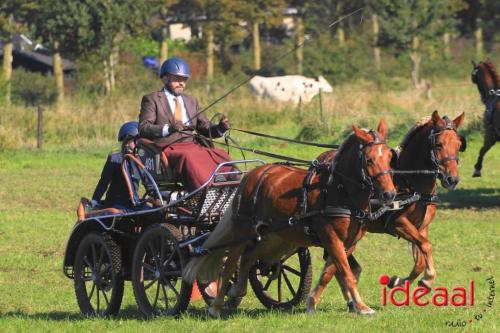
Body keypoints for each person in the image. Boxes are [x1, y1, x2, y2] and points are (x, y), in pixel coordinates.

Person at [138, 57, 233, 192]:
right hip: (169, 148)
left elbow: (204, 127)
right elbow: (143, 128)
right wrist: (169, 128)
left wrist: (220, 128)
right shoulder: (152, 99)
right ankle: (204, 193)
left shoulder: (191, 100)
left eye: (184, 80)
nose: (181, 83)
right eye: (177, 79)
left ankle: (231, 190)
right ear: (165, 79)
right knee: (188, 158)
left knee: (221, 154)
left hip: (193, 146)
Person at [90, 121, 148, 211]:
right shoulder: (114, 159)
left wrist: (168, 195)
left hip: (133, 203)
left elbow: (150, 184)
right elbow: (103, 183)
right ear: (127, 142)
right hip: (115, 204)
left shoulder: (141, 160)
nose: (139, 144)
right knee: (124, 215)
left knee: (152, 212)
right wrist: (94, 201)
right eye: (136, 141)